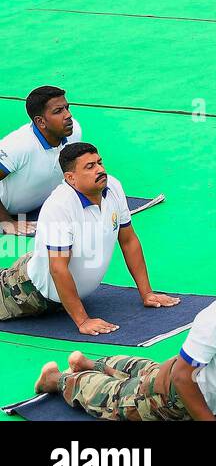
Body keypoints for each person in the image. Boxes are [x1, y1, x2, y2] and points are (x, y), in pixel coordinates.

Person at [34, 260, 216, 420]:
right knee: (115, 399)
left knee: (148, 370)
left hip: (181, 371)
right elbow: (183, 377)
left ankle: (91, 363)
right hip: (176, 400)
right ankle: (58, 380)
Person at [0, 141, 175, 332]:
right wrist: (83, 321)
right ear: (70, 178)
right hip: (24, 291)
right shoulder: (59, 206)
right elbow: (58, 269)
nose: (100, 169)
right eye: (90, 167)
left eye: (100, 162)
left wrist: (147, 293)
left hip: (55, 283)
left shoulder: (113, 187)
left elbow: (129, 241)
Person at [0, 87, 81, 233]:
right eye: (58, 111)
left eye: (67, 108)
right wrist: (7, 222)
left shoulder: (73, 131)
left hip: (39, 208)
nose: (68, 115)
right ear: (40, 121)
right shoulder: (18, 146)